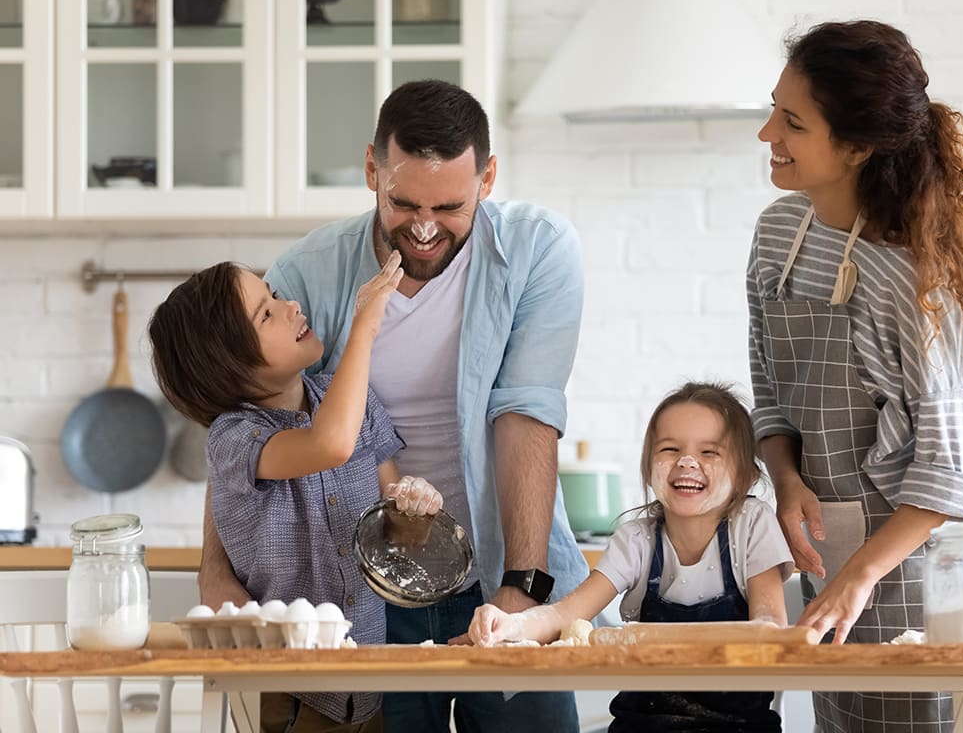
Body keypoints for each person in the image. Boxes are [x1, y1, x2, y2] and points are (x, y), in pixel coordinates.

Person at [196, 78, 590, 733]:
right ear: (373, 169)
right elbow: (244, 429)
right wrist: (215, 575)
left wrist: (522, 589)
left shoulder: (538, 251)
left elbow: (525, 415)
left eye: (451, 205)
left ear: (488, 178)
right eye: (404, 203)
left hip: (506, 577)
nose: (426, 228)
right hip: (365, 596)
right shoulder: (308, 277)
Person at [747, 19, 963, 732]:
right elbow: (768, 391)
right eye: (774, 107)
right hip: (825, 558)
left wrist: (861, 573)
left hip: (906, 583)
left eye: (793, 121)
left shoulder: (910, 281)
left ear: (857, 146)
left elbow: (949, 472)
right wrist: (787, 478)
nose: (768, 132)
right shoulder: (776, 237)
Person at [150, 250, 445, 732]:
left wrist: (415, 509)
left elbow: (398, 537)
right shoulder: (233, 439)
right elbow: (327, 444)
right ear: (229, 365)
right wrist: (365, 326)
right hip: (288, 697)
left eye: (276, 296)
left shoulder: (356, 401)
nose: (291, 307)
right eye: (266, 313)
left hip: (369, 688)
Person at [469, 381, 794, 732]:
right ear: (647, 467)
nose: (687, 462)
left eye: (709, 453)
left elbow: (769, 628)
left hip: (740, 725)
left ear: (746, 475)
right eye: (670, 449)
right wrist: (511, 625)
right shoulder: (637, 539)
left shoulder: (752, 525)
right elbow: (566, 614)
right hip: (643, 724)